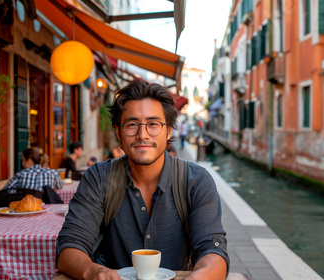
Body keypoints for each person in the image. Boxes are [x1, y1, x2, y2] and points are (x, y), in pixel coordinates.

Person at [56, 80, 229, 280]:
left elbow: (212, 250)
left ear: (169, 130)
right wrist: (97, 273)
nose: (142, 135)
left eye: (153, 124)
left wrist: (199, 277)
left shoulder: (195, 181)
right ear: (118, 132)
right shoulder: (99, 178)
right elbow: (69, 247)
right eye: (132, 125)